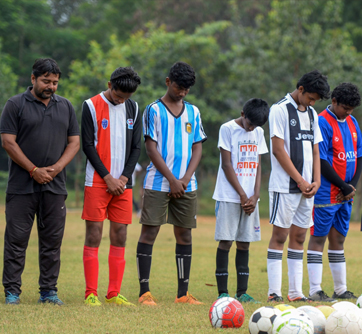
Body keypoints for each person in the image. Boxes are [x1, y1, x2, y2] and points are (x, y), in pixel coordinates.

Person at [1, 58, 80, 305]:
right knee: (16, 241)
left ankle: (48, 292)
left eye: (55, 82)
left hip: (55, 187)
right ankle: (12, 292)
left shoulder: (65, 106)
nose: (51, 86)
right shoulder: (15, 105)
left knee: (52, 243)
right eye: (46, 81)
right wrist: (33, 169)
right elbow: (8, 142)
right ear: (33, 78)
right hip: (21, 187)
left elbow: (74, 142)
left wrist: (55, 169)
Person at [136, 62, 207, 305]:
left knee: (184, 236)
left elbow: (197, 146)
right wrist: (171, 179)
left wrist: (185, 179)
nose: (182, 92)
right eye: (178, 87)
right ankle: (144, 292)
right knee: (150, 232)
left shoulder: (194, 112)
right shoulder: (153, 110)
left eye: (186, 89)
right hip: (158, 182)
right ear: (168, 82)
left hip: (187, 184)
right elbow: (150, 147)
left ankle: (182, 294)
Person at [267, 70, 329, 303]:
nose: (313, 103)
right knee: (280, 235)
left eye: (316, 100)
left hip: (308, 188)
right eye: (311, 98)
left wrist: (317, 180)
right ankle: (274, 292)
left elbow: (315, 149)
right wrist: (300, 181)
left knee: (300, 236)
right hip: (285, 187)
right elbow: (278, 149)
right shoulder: (279, 110)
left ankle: (296, 293)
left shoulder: (312, 113)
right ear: (300, 89)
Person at [81, 67, 142, 306]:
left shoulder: (134, 108)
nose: (121, 100)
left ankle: (114, 293)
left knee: (120, 234)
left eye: (126, 97)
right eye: (118, 95)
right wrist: (107, 177)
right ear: (109, 84)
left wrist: (124, 179)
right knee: (94, 235)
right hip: (97, 181)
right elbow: (87, 145)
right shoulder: (90, 105)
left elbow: (136, 147)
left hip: (123, 185)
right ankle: (91, 294)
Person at [307, 83, 362, 302]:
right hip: (326, 192)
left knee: (339, 239)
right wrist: (343, 186)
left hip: (346, 194)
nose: (348, 112)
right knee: (318, 238)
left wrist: (351, 185)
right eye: (345, 108)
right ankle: (315, 290)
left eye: (352, 109)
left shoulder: (352, 122)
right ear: (333, 102)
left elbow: (361, 153)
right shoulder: (322, 122)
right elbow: (321, 159)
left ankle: (341, 289)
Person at [213, 98, 269, 303]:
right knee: (226, 241)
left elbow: (258, 165)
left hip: (250, 198)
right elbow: (227, 165)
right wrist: (242, 195)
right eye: (250, 123)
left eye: (256, 126)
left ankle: (242, 292)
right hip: (229, 196)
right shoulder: (227, 129)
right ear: (243, 113)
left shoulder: (259, 132)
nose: (251, 128)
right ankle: (223, 292)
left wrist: (255, 196)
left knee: (245, 243)